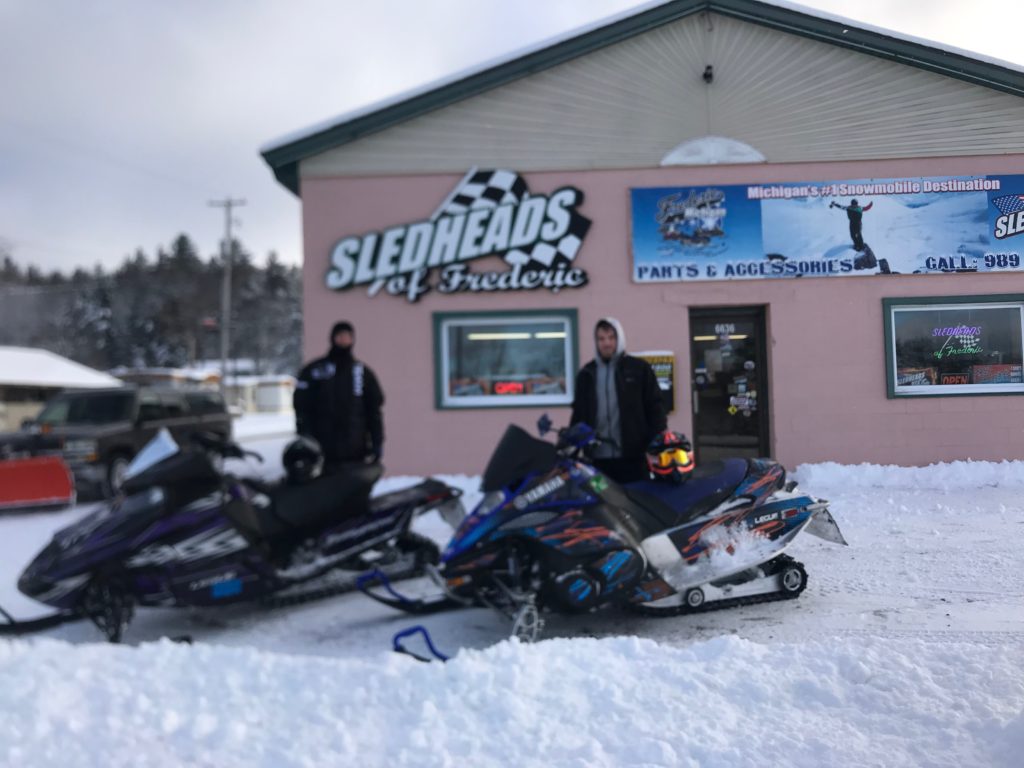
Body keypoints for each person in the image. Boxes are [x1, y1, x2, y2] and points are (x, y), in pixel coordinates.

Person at [570, 317, 667, 484]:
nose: (606, 343)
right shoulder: (587, 374)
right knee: (603, 505)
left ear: (619, 339)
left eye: (611, 338)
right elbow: (579, 413)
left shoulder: (638, 369)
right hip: (598, 460)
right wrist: (571, 443)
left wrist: (656, 443)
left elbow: (655, 407)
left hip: (633, 457)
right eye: (601, 339)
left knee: (636, 502)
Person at [293, 320, 384, 472]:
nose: (343, 339)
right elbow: (301, 406)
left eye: (347, 336)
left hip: (355, 450)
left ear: (352, 339)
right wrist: (305, 437)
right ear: (333, 338)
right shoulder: (315, 370)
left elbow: (374, 410)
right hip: (322, 449)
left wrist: (377, 443)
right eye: (340, 335)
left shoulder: (361, 373)